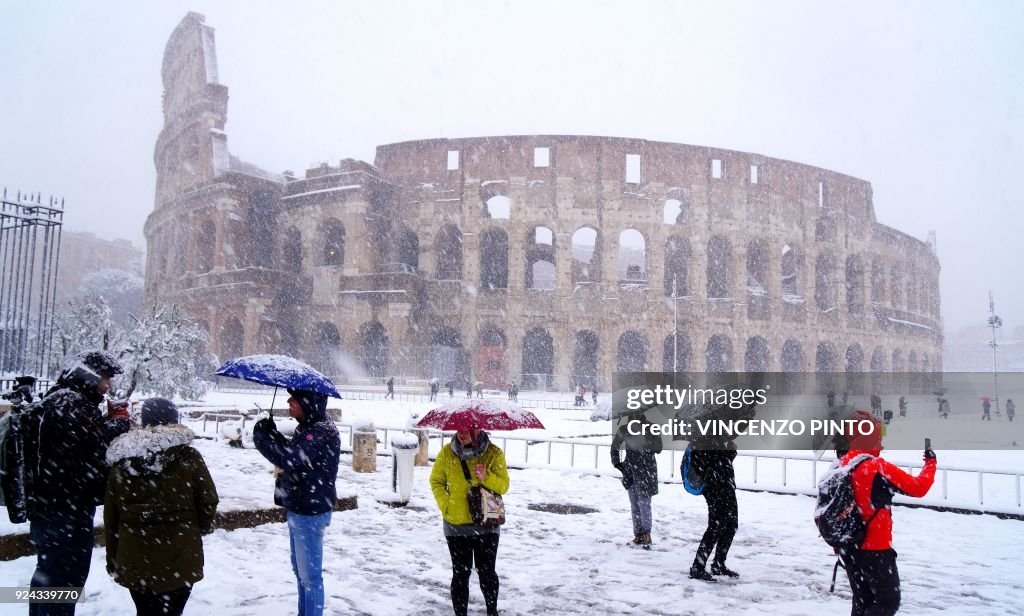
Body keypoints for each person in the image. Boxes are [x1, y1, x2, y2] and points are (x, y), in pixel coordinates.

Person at [27, 350, 131, 616]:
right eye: (106, 379)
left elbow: (83, 441)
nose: (108, 386)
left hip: (52, 505)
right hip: (66, 509)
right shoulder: (71, 404)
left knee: (49, 576)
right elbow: (98, 444)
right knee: (64, 580)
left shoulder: (59, 399)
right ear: (89, 376)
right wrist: (119, 422)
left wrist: (107, 422)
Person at [104, 398, 218, 616]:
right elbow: (209, 499)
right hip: (179, 555)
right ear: (174, 421)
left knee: (144, 611)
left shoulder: (123, 461)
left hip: (135, 556)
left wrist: (114, 558)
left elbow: (112, 516)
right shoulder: (189, 457)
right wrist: (198, 529)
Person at [836, 410, 936, 616]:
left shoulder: (843, 464)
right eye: (879, 436)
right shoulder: (876, 467)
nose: (881, 444)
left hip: (849, 546)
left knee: (862, 600)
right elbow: (918, 487)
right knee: (887, 602)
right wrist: (930, 464)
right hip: (875, 548)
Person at [253, 388, 341, 616]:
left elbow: (291, 458)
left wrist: (263, 439)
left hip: (309, 513)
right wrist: (272, 434)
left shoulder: (321, 431)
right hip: (299, 509)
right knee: (301, 573)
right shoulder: (309, 427)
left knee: (309, 578)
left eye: (295, 398)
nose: (289, 400)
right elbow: (295, 454)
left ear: (309, 402)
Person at [429, 427, 509, 616]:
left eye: (467, 429)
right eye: (459, 428)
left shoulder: (493, 453)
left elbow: (504, 485)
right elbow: (436, 481)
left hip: (486, 524)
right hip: (456, 525)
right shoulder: (447, 453)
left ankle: (492, 611)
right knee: (460, 574)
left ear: (478, 430)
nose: (461, 432)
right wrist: (446, 505)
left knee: (487, 573)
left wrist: (487, 477)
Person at [688, 432, 741, 581]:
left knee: (731, 525)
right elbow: (709, 465)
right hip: (715, 488)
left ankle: (718, 563)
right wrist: (725, 454)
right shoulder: (701, 440)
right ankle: (697, 567)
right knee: (715, 527)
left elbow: (723, 462)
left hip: (726, 485)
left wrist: (730, 452)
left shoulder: (715, 437)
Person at [610, 412, 662, 547]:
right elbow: (614, 448)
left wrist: (645, 440)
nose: (636, 415)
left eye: (639, 412)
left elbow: (659, 448)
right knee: (634, 505)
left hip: (646, 471)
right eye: (634, 413)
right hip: (630, 471)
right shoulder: (624, 429)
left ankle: (646, 534)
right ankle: (638, 534)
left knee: (645, 504)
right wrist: (618, 464)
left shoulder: (651, 427)